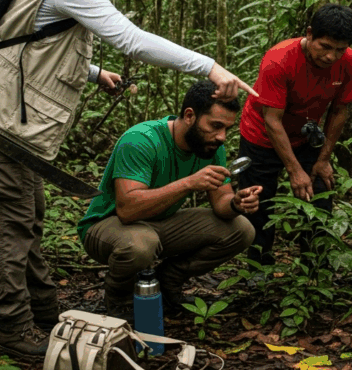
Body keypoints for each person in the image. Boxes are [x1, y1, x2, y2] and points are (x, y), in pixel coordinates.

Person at [0, 0, 257, 358]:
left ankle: (43, 315)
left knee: (26, 219)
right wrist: (210, 66)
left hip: (9, 124)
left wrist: (93, 73)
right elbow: (130, 39)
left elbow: (28, 43)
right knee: (7, 229)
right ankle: (9, 329)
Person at [79, 80, 261, 318]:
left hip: (157, 224)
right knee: (141, 244)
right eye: (215, 126)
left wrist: (236, 203)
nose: (221, 137)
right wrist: (188, 183)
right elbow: (127, 210)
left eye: (227, 128)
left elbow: (221, 203)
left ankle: (169, 280)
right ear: (189, 116)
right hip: (108, 225)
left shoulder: (210, 146)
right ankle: (119, 298)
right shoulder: (141, 139)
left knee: (241, 229)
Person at [236, 4, 352, 265]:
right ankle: (258, 267)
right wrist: (294, 170)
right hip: (261, 135)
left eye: (340, 49)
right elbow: (272, 120)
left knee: (319, 192)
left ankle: (315, 267)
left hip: (305, 135)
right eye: (325, 46)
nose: (331, 56)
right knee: (259, 202)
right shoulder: (279, 59)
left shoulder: (349, 62)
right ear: (310, 34)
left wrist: (323, 159)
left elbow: (339, 111)